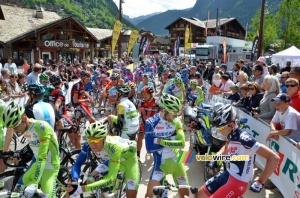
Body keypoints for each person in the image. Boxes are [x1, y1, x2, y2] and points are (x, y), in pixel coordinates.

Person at [196, 104, 279, 198]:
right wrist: (216, 157)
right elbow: (226, 147)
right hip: (228, 174)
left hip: (238, 181)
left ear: (231, 124)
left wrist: (260, 182)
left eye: (221, 128)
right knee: (198, 195)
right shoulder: (230, 134)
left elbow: (274, 158)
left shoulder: (244, 138)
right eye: (217, 128)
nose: (219, 131)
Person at [2, 101, 60, 197]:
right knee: (17, 191)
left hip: (50, 166)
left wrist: (35, 182)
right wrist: (17, 153)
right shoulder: (25, 128)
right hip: (37, 164)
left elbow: (42, 156)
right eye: (13, 128)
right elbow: (34, 145)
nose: (15, 130)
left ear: (24, 118)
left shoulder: (41, 127)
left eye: (16, 126)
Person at [68, 122, 140, 197]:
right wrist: (74, 181)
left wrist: (81, 189)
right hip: (111, 160)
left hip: (129, 161)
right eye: (90, 140)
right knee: (90, 179)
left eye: (96, 141)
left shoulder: (114, 147)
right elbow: (77, 164)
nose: (93, 144)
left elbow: (110, 179)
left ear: (104, 138)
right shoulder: (87, 145)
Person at [145, 93, 189, 198]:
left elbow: (182, 143)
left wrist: (161, 141)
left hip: (177, 161)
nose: (176, 117)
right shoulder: (150, 123)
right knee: (149, 195)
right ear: (164, 111)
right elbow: (149, 148)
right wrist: (172, 141)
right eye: (174, 114)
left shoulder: (176, 121)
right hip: (160, 165)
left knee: (186, 195)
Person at [49, 75, 79, 148]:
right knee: (77, 134)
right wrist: (57, 118)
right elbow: (56, 104)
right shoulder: (60, 92)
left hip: (55, 117)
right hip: (62, 117)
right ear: (60, 81)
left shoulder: (53, 92)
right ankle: (79, 152)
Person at [137, 86, 160, 158]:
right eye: (143, 94)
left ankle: (154, 152)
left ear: (150, 94)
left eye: (146, 94)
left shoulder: (157, 102)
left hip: (154, 125)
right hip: (144, 123)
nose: (144, 96)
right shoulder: (141, 102)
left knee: (153, 140)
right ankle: (138, 155)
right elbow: (137, 112)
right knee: (140, 138)